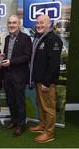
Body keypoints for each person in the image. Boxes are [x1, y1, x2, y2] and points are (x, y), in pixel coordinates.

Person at [29, 15, 63, 143]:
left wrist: (47, 82)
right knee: (41, 104)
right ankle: (42, 125)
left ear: (49, 24)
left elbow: (53, 64)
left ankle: (49, 133)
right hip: (38, 80)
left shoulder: (53, 40)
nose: (39, 25)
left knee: (48, 107)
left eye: (42, 23)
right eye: (37, 23)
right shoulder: (39, 37)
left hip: (46, 82)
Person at [2, 15, 32, 137]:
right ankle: (14, 121)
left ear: (19, 24)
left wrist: (11, 62)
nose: (11, 25)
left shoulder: (25, 38)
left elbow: (27, 56)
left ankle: (20, 125)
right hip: (7, 74)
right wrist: (2, 58)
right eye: (9, 23)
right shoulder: (8, 38)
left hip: (19, 76)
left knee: (19, 102)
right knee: (10, 100)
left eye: (14, 23)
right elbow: (7, 54)